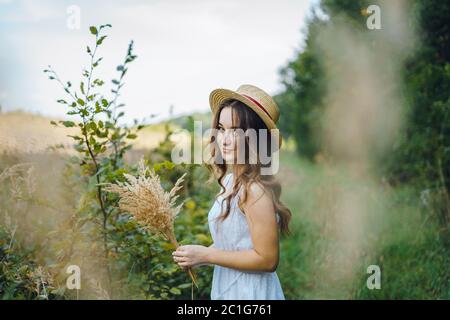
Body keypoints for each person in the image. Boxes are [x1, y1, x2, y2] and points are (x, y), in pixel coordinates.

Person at [172, 84, 292, 299]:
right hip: (229, 288)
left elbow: (268, 259)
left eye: (235, 131)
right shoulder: (229, 181)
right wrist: (196, 255)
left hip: (250, 293)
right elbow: (235, 242)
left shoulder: (255, 191)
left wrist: (207, 254)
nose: (224, 139)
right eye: (221, 128)